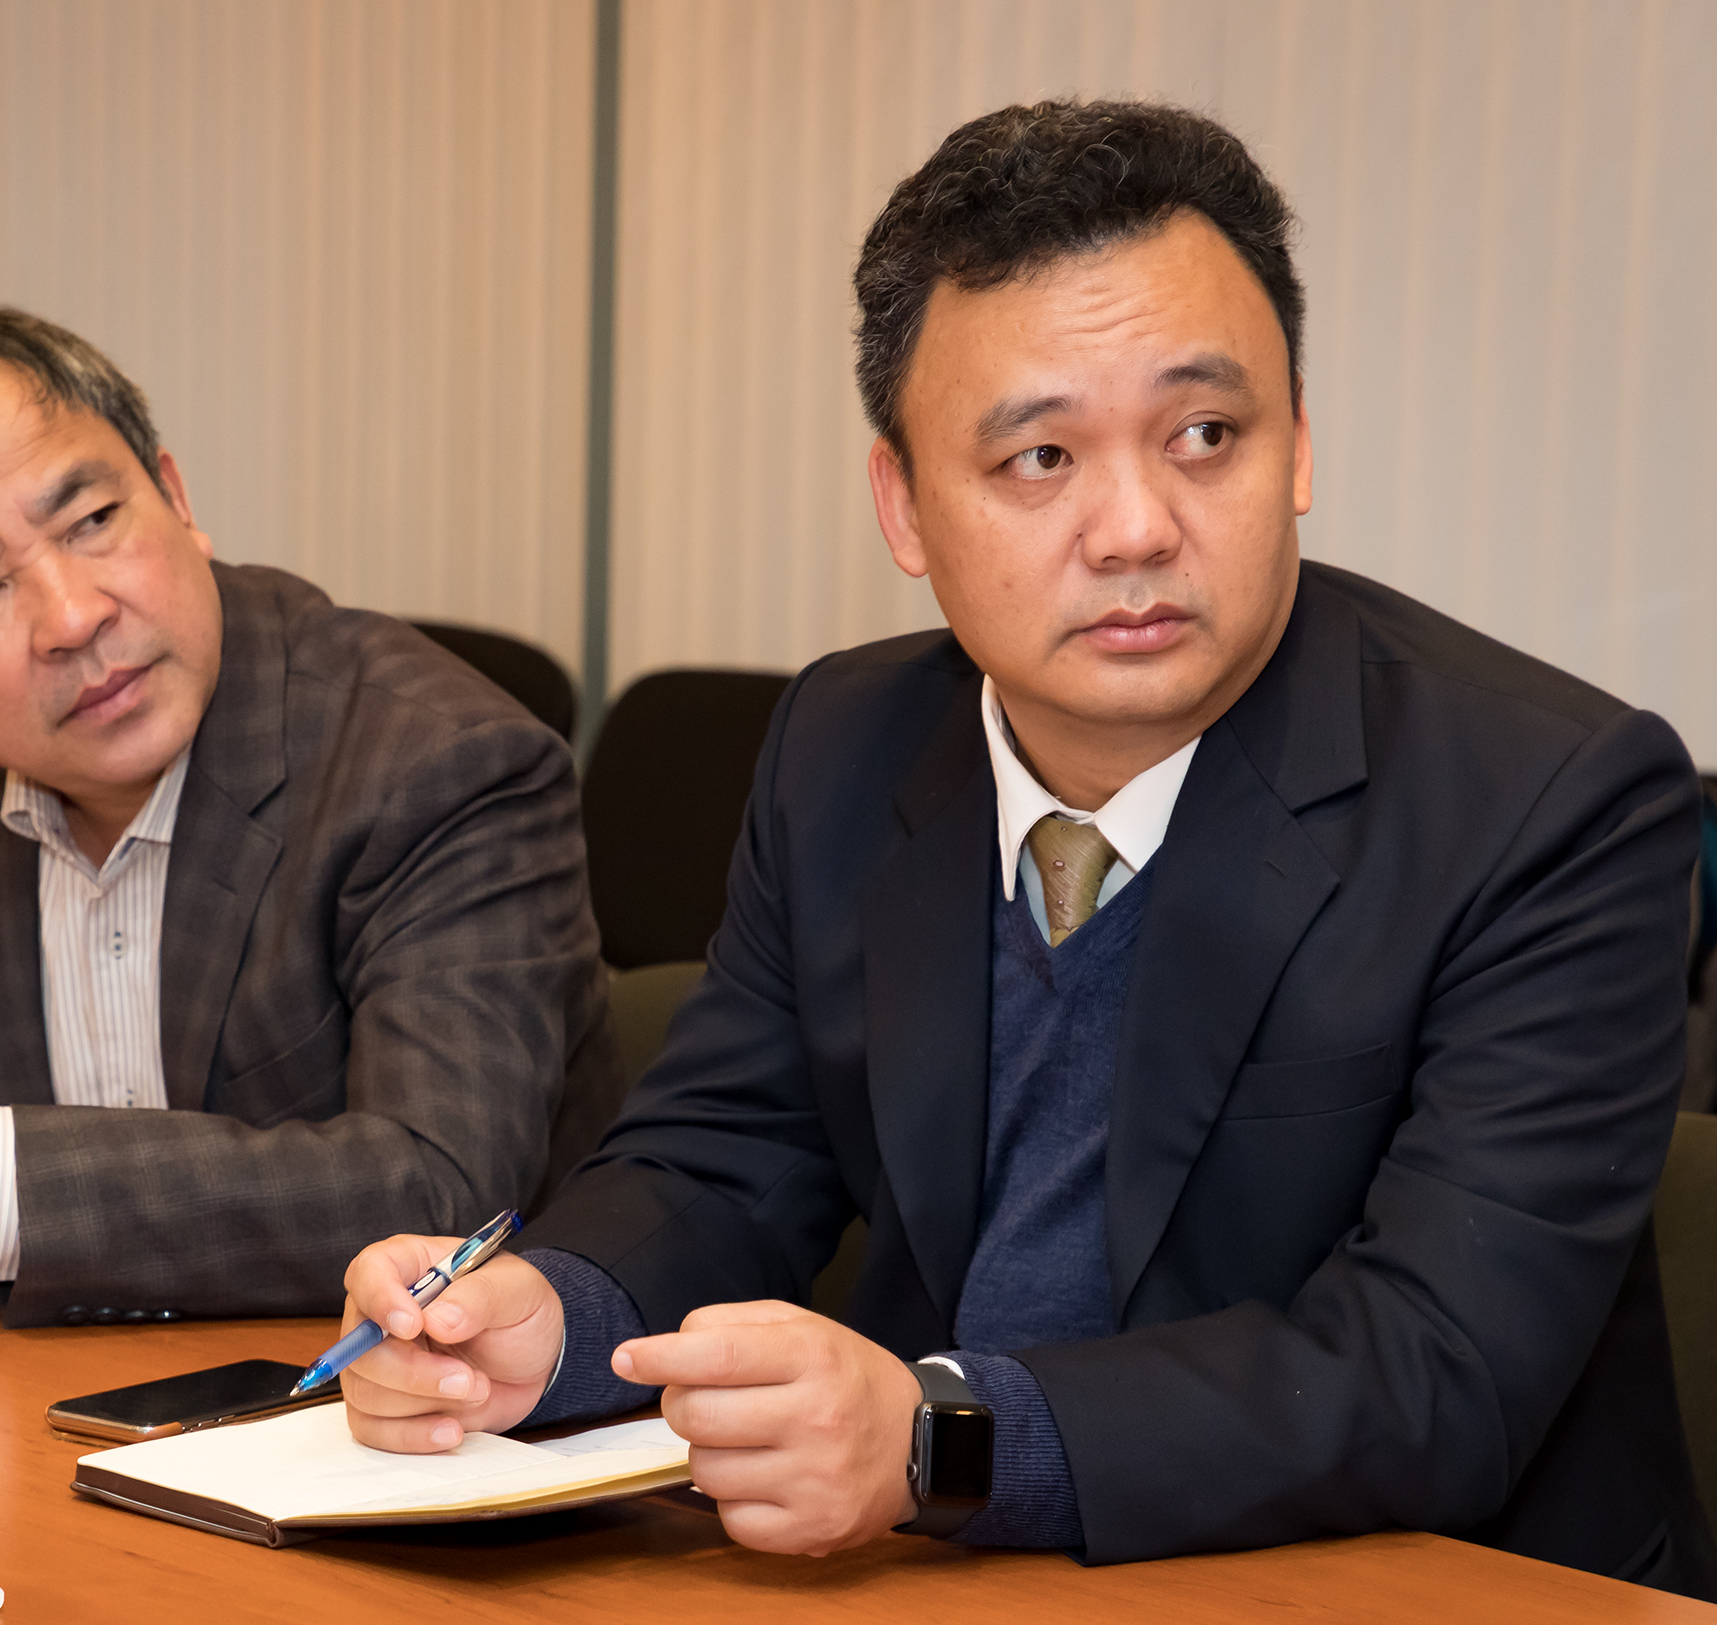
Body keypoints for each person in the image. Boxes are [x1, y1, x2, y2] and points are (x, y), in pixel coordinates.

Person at [334, 100, 1716, 1598]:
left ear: (1299, 444)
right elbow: (726, 1154)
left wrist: (942, 1439)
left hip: (1405, 1580)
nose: (1134, 527)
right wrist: (553, 1316)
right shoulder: (846, 742)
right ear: (903, 507)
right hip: (951, 1571)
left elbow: (1434, 1365)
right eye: (1040, 455)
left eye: (1205, 435)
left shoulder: (1550, 802)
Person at [0, 307, 618, 1328]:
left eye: (92, 520)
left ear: (175, 497)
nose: (72, 616)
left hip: (385, 1398)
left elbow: (437, 1185)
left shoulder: (435, 761)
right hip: (53, 1391)